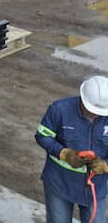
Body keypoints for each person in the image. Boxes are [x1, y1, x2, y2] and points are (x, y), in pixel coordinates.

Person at [36, 75, 108, 223]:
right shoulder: (60, 110)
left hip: (95, 188)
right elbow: (42, 136)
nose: (95, 114)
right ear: (82, 99)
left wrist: (106, 165)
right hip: (59, 183)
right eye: (91, 110)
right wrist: (63, 153)